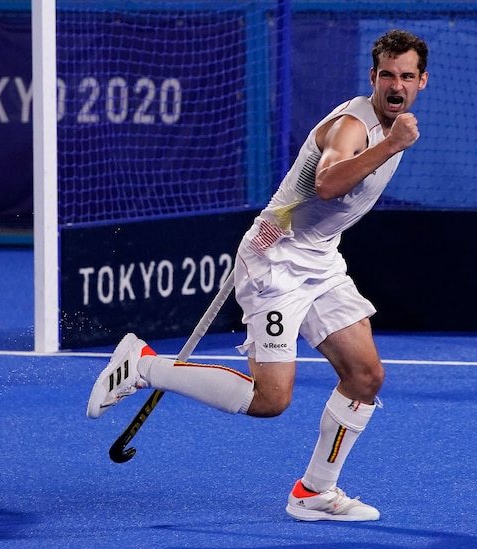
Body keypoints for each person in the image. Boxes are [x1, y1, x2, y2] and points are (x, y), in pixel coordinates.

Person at [87, 29, 429, 522]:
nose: (396, 85)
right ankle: (142, 367)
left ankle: (315, 493)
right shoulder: (353, 128)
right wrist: (392, 145)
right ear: (373, 77)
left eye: (407, 76)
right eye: (388, 75)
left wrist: (393, 141)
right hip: (275, 261)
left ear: (422, 81)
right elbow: (328, 183)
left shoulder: (392, 123)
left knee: (365, 375)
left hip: (320, 260)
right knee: (269, 399)